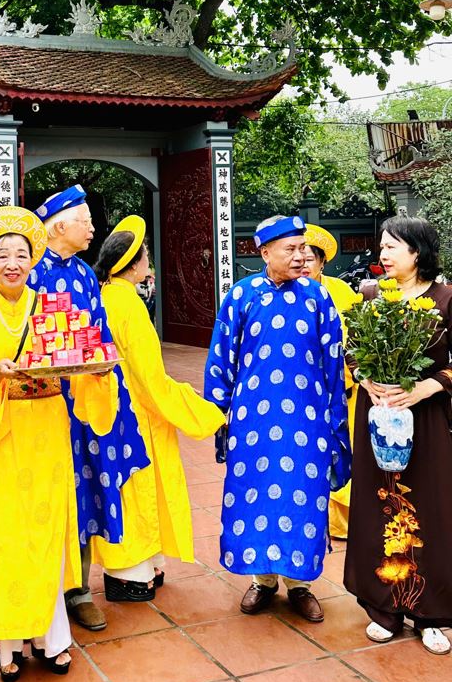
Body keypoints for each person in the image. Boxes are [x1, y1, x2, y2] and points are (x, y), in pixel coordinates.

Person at [0, 207, 117, 682]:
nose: (12, 263)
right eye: (2, 254)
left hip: (45, 427)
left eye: (21, 254)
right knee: (3, 535)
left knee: (45, 530)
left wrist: (97, 371)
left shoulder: (55, 306)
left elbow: (78, 354)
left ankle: (52, 637)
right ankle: (9, 642)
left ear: (32, 258)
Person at [204, 215, 351, 623]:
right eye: (291, 249)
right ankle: (263, 581)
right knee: (254, 496)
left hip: (308, 421)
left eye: (304, 248)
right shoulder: (241, 295)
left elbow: (333, 364)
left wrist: (335, 418)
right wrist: (218, 413)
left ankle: (300, 585)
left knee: (303, 494)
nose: (301, 256)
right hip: (252, 420)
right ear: (265, 253)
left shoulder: (319, 298)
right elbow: (221, 359)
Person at [30, 186, 150, 623]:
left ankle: (79, 591)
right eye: (86, 222)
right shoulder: (28, 271)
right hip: (42, 404)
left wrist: (106, 375)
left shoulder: (84, 273)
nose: (93, 229)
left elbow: (99, 334)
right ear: (59, 226)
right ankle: (43, 591)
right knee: (47, 493)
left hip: (87, 404)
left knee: (87, 488)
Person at [91, 216, 225, 588]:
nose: (149, 259)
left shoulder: (105, 295)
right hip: (136, 416)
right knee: (139, 490)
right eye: (146, 253)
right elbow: (150, 379)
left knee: (123, 489)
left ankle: (141, 567)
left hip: (109, 411)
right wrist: (201, 411)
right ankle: (130, 575)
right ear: (133, 263)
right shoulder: (128, 304)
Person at [344, 216, 452, 656]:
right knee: (379, 504)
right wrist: (366, 379)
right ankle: (385, 608)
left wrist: (429, 386)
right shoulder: (371, 296)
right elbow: (352, 350)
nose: (383, 255)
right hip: (379, 417)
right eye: (382, 247)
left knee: (430, 506)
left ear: (417, 251)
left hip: (425, 419)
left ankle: (429, 613)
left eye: (391, 246)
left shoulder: (445, 298)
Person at [302, 225, 358, 539]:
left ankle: (341, 523)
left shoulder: (341, 292)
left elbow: (356, 338)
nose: (303, 263)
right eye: (298, 256)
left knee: (344, 449)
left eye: (310, 258)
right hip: (305, 392)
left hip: (344, 389)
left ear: (322, 262)